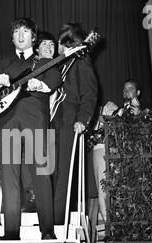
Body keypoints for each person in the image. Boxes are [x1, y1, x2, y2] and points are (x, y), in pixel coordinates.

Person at [0, 17, 61, 240]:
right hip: (7, 121)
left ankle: (47, 230)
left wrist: (42, 85)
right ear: (12, 38)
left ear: (33, 37)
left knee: (41, 174)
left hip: (35, 120)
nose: (20, 36)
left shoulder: (43, 62)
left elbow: (55, 78)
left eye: (25, 32)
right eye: (16, 32)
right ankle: (10, 232)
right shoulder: (5, 62)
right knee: (9, 176)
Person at [53, 23, 98, 225]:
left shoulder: (81, 60)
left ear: (66, 42)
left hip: (70, 121)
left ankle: (59, 221)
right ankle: (47, 213)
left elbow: (90, 92)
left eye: (60, 42)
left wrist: (82, 119)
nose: (57, 46)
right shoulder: (60, 64)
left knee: (64, 173)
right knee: (48, 171)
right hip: (52, 122)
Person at [92, 79, 144, 219]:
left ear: (138, 92)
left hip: (137, 158)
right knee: (111, 188)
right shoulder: (120, 110)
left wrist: (140, 115)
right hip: (120, 155)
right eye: (124, 89)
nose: (126, 91)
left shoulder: (145, 110)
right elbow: (110, 120)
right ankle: (110, 222)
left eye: (130, 88)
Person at [21, 30, 57, 212]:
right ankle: (31, 200)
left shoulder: (55, 65)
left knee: (42, 167)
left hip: (48, 123)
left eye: (52, 44)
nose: (50, 48)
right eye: (45, 44)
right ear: (36, 48)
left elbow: (53, 86)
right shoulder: (29, 65)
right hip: (28, 121)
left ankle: (42, 206)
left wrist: (42, 86)